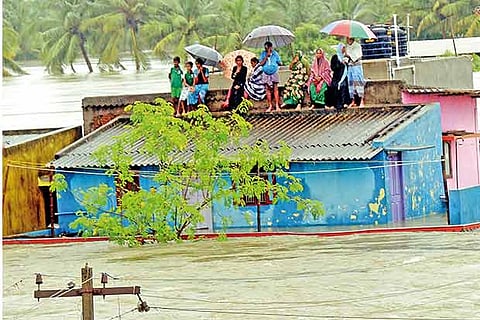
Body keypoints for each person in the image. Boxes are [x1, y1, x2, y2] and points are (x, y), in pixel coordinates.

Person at [259, 41, 282, 112]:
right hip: (266, 72)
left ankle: (277, 106)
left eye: (268, 47)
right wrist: (266, 57)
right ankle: (270, 106)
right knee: (267, 90)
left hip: (274, 72)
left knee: (275, 89)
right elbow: (261, 63)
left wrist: (276, 61)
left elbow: (280, 62)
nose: (267, 49)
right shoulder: (263, 54)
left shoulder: (275, 53)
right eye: (266, 48)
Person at [329, 43, 351, 111]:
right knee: (334, 86)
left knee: (343, 85)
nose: (344, 49)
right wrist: (340, 63)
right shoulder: (335, 57)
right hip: (336, 76)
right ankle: (334, 103)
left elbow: (350, 66)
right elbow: (333, 67)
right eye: (343, 48)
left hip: (344, 76)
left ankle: (345, 102)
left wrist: (346, 62)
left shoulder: (346, 57)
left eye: (344, 48)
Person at [345, 37, 366, 107]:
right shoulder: (347, 47)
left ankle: (362, 100)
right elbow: (346, 58)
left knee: (358, 82)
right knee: (351, 83)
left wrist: (348, 55)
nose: (347, 40)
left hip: (356, 66)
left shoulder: (357, 46)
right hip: (350, 66)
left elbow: (357, 56)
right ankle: (353, 100)